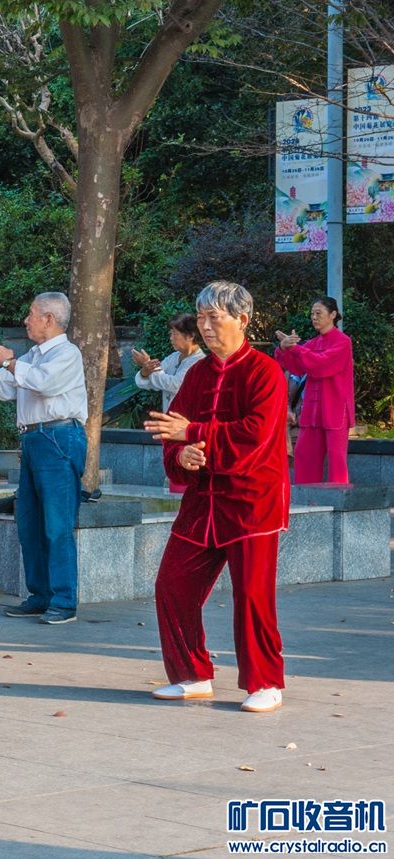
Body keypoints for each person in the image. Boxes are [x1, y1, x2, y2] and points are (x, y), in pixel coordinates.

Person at [144, 281, 289, 713]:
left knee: (252, 596)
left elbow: (255, 436)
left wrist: (192, 433)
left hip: (252, 503)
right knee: (172, 584)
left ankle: (266, 682)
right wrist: (181, 455)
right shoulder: (197, 375)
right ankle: (192, 674)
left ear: (242, 320)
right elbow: (173, 433)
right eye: (201, 317)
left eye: (214, 317)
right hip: (202, 503)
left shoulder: (265, 372)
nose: (205, 326)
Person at [0, 292, 88, 625]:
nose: (26, 320)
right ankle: (40, 595)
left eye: (31, 314)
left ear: (49, 319)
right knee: (29, 522)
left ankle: (64, 601)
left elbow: (44, 384)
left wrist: (8, 361)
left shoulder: (67, 353)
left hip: (59, 436)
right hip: (35, 438)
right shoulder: (33, 355)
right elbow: (6, 387)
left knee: (57, 524)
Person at [273, 296, 354, 485]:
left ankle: (338, 498)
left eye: (318, 313)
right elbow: (295, 367)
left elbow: (322, 364)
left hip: (335, 409)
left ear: (333, 315)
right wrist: (283, 348)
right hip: (312, 410)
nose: (314, 317)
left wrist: (296, 349)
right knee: (304, 454)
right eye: (312, 314)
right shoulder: (312, 344)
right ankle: (306, 496)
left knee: (336, 459)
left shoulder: (343, 342)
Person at [132, 313, 204, 412]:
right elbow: (149, 383)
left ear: (190, 336)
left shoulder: (200, 361)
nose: (171, 338)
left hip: (188, 419)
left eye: (175, 334)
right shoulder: (173, 357)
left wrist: (147, 363)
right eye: (170, 334)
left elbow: (175, 385)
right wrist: (145, 371)